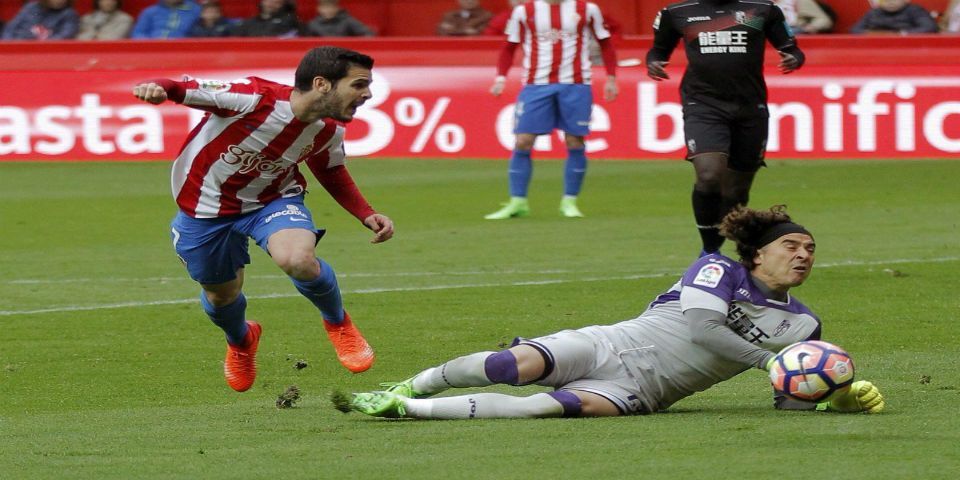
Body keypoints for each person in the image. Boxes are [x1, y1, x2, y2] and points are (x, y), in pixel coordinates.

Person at [335, 205, 885, 419]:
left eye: (810, 249)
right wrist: (768, 361)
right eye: (793, 246)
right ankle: (415, 383)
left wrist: (837, 398)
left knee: (542, 411)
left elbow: (791, 394)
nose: (804, 255)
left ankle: (403, 411)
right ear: (759, 252)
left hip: (646, 392)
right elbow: (702, 327)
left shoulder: (805, 326)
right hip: (613, 343)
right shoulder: (717, 269)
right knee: (509, 367)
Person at [131, 46, 395, 392]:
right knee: (220, 296)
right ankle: (241, 341)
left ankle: (339, 324)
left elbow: (330, 171)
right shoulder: (254, 98)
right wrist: (157, 87)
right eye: (359, 84)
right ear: (322, 84)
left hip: (272, 201)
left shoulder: (329, 131)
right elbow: (185, 88)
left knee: (298, 259)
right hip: (205, 212)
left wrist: (365, 212)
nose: (367, 93)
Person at [645, 0, 804, 256]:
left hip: (750, 107)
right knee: (708, 176)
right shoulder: (677, 13)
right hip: (703, 104)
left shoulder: (762, 10)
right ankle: (709, 250)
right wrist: (654, 63)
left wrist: (793, 57)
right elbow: (657, 51)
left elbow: (791, 48)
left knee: (737, 189)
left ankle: (721, 246)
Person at [484, 0, 618, 220]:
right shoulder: (524, 11)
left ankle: (569, 201)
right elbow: (509, 46)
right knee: (523, 141)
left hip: (576, 84)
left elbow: (605, 42)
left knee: (575, 141)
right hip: (536, 85)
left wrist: (611, 78)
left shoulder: (587, 9)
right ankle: (517, 202)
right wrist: (500, 77)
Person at [1, 0, 79, 40]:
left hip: (42, 52)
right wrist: (6, 45)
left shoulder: (69, 14)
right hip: (17, 46)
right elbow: (11, 27)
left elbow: (63, 36)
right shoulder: (31, 7)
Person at [850, 0, 938, 34]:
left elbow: (929, 27)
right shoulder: (873, 12)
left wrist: (902, 34)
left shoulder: (914, 10)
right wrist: (873, 34)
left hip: (906, 46)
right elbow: (855, 29)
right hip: (877, 47)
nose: (890, 2)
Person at [130, 0, 201, 39]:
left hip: (183, 50)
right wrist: (151, 44)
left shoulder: (196, 10)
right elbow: (138, 33)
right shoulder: (150, 11)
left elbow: (202, 32)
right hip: (153, 49)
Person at [232, 0, 302, 37]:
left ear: (282, 3)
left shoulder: (291, 21)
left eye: (276, 2)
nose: (271, 3)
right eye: (268, 0)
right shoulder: (247, 23)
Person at [306, 0, 374, 37]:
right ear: (319, 9)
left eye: (332, 7)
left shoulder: (347, 21)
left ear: (337, 8)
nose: (329, 10)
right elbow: (307, 43)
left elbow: (368, 33)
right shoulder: (313, 24)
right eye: (325, 8)